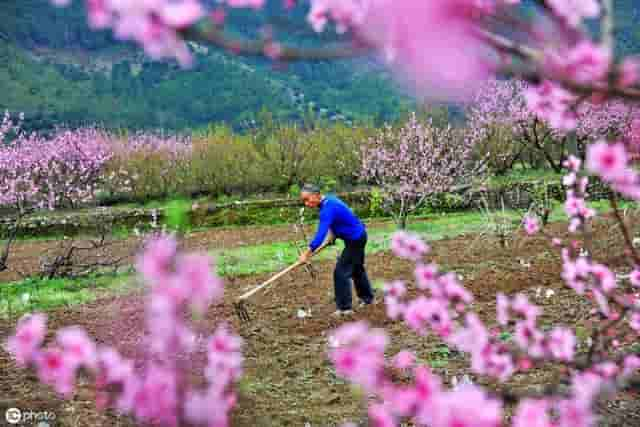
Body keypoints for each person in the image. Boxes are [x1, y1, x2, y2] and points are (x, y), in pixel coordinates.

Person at [298, 184, 375, 316]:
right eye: (303, 201)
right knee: (357, 269)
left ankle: (345, 308)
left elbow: (319, 235)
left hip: (355, 240)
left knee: (340, 272)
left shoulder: (327, 209)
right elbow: (337, 221)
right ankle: (367, 298)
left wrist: (306, 254)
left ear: (316, 195)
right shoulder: (329, 200)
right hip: (359, 235)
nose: (306, 203)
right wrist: (332, 236)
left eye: (307, 199)